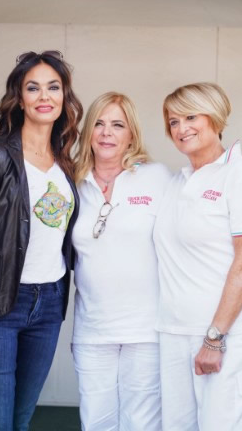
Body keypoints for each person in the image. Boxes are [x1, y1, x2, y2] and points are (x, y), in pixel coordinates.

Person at [0, 50, 82, 430]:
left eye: (54, 87)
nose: (44, 96)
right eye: (34, 88)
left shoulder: (66, 163)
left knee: (20, 420)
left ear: (64, 97)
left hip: (48, 306)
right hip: (1, 308)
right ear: (20, 97)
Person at [153, 82, 242, 431]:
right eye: (173, 121)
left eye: (191, 116)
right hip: (175, 330)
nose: (181, 128)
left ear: (215, 117)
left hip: (223, 335)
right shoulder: (178, 181)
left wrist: (214, 338)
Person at [71, 92, 170, 430]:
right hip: (92, 329)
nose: (106, 133)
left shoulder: (157, 178)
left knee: (140, 423)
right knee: (96, 422)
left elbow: (191, 237)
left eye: (117, 125)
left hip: (146, 329)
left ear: (132, 134)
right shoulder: (72, 182)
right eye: (98, 123)